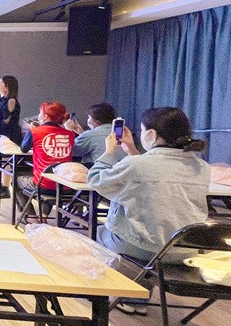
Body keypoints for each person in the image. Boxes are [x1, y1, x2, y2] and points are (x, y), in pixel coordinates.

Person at [88, 107, 210, 314]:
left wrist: (109, 152)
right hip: (185, 250)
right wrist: (132, 150)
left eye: (143, 130)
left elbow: (96, 180)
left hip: (146, 249)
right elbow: (153, 172)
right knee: (151, 226)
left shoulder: (137, 164)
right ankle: (137, 298)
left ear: (151, 134)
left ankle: (111, 295)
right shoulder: (202, 167)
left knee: (99, 232)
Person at [18, 102, 78, 214]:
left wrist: (32, 131)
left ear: (45, 116)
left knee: (16, 181)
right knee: (52, 175)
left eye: (40, 112)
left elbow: (23, 149)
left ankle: (31, 216)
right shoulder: (70, 134)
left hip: (42, 185)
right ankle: (44, 215)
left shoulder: (35, 132)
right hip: (66, 186)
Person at [65, 102, 124, 167]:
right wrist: (82, 133)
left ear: (96, 121)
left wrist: (68, 131)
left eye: (89, 117)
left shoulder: (90, 135)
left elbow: (69, 151)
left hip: (99, 171)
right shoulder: (124, 133)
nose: (88, 120)